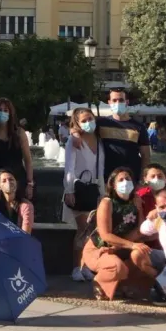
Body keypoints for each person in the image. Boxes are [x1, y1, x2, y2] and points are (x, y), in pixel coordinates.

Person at [81, 167, 155, 301]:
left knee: (142, 256)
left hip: (121, 248)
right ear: (113, 185)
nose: (125, 182)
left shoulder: (135, 202)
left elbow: (141, 230)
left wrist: (139, 209)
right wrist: (132, 244)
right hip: (100, 249)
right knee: (117, 267)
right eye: (121, 180)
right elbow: (105, 235)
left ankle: (124, 286)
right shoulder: (107, 202)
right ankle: (99, 282)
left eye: (128, 179)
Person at [63, 107, 104, 282]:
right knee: (82, 229)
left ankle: (86, 265)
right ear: (77, 123)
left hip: (95, 189)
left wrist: (103, 192)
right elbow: (69, 167)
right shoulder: (74, 141)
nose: (88, 123)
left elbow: (100, 168)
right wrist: (69, 189)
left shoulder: (99, 140)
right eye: (84, 120)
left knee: (91, 231)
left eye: (90, 118)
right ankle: (75, 267)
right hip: (78, 189)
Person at [95, 88, 150, 183]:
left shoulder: (139, 127)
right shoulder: (101, 123)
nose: (117, 103)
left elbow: (146, 155)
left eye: (121, 100)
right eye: (114, 100)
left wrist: (142, 179)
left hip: (131, 178)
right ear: (109, 102)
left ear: (127, 102)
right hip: (106, 178)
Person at [0, 98, 34, 201]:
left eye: (5, 110)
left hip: (18, 177)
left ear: (10, 113)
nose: (2, 113)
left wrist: (30, 183)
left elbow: (28, 160)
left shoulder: (19, 133)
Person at [0, 169, 33, 233]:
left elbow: (26, 235)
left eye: (11, 179)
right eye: (4, 181)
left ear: (16, 183)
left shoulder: (26, 206)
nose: (8, 183)